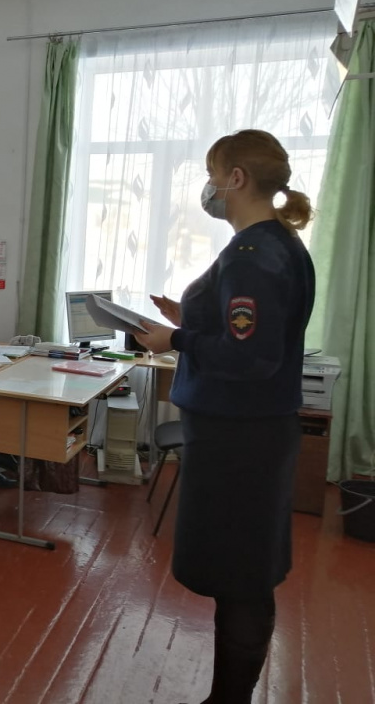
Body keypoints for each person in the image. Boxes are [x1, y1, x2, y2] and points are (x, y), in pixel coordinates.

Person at [138, 130, 315, 704]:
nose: (209, 187)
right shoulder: (278, 244)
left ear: (236, 178)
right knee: (246, 575)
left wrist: (177, 339)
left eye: (213, 174)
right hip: (251, 433)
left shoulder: (251, 257)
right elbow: (250, 332)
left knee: (241, 579)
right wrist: (187, 318)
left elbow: (251, 357)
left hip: (239, 441)